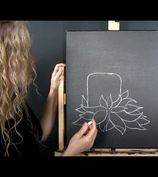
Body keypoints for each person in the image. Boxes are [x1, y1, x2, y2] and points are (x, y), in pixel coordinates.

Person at [0, 21, 97, 157]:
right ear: (4, 63)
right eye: (23, 54)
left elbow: (39, 134)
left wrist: (54, 89)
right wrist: (71, 152)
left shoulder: (12, 100)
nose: (34, 60)